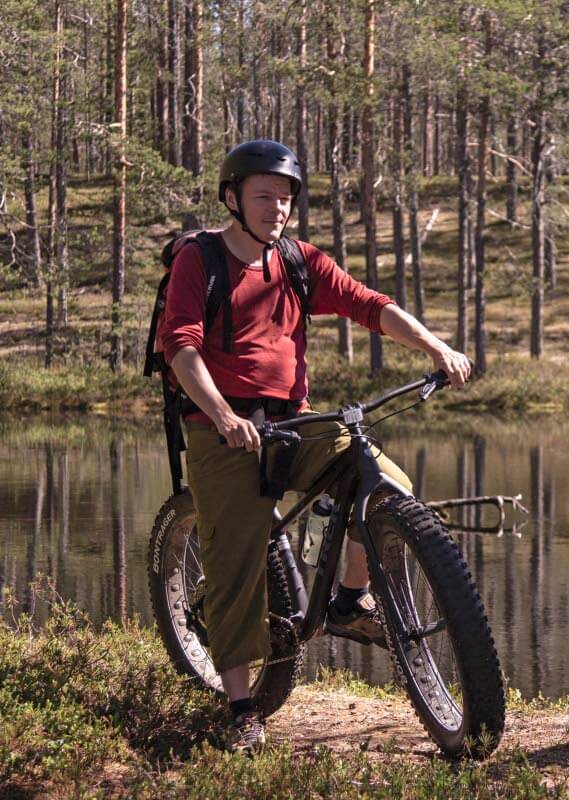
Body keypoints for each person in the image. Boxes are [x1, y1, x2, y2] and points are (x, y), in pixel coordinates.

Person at [158, 139, 471, 752]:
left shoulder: (299, 260)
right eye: (263, 197)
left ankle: (351, 600)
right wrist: (221, 414)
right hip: (222, 430)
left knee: (383, 481)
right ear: (232, 199)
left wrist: (436, 348)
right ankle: (242, 708)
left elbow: (368, 305)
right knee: (237, 562)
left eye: (285, 199)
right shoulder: (202, 260)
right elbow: (182, 348)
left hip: (293, 424)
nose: (277, 209)